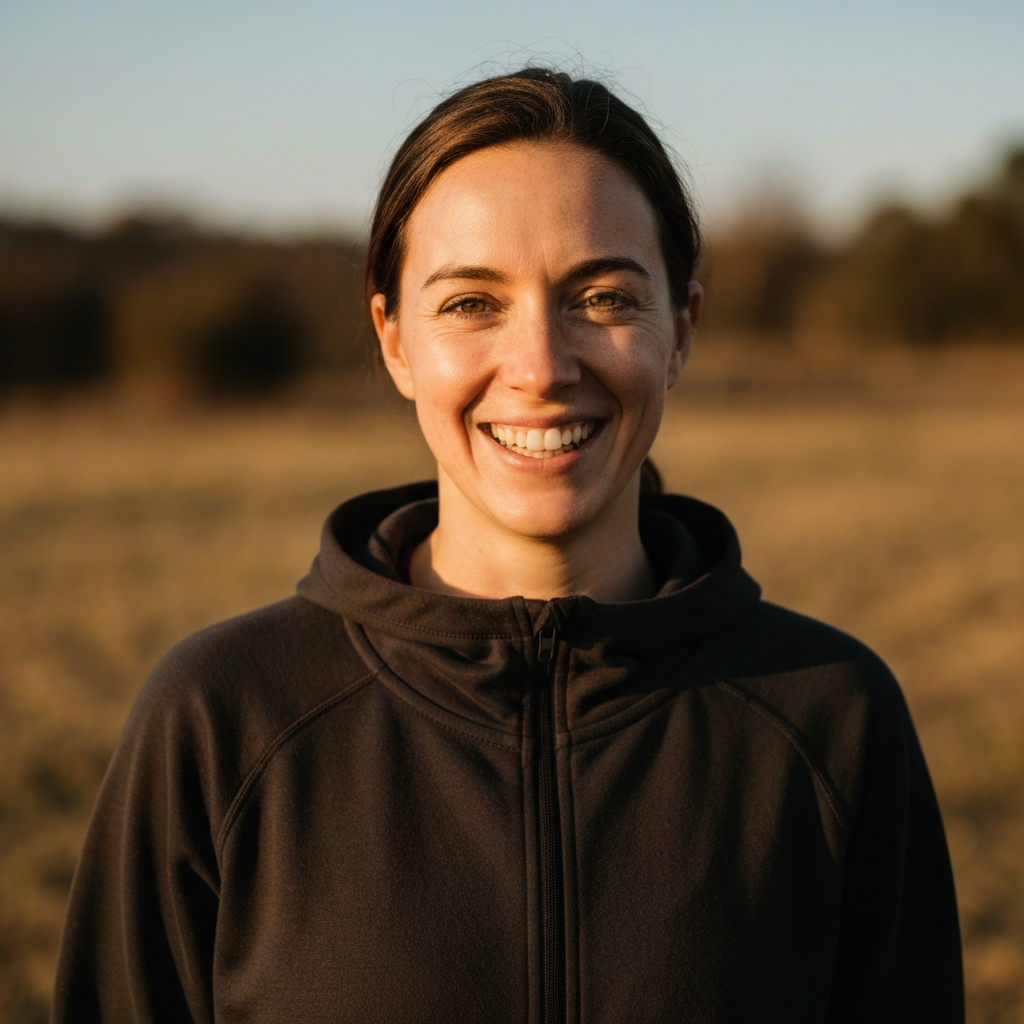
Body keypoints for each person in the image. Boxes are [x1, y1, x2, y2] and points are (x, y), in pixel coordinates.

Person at [53, 68, 963, 1023]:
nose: (539, 366)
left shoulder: (831, 718)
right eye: (470, 303)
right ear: (395, 337)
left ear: (681, 331)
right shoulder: (219, 719)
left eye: (604, 298)